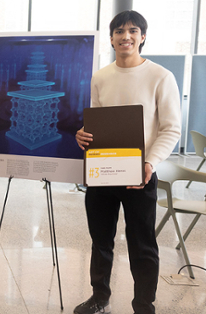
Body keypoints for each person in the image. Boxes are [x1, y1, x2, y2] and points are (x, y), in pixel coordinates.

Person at [74, 10, 181, 314]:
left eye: (133, 31)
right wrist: (83, 135)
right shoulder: (101, 77)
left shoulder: (161, 76)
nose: (126, 37)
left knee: (142, 244)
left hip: (140, 175)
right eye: (119, 32)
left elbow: (171, 128)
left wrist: (151, 163)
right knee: (101, 240)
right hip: (103, 173)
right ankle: (99, 296)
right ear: (111, 39)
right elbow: (96, 122)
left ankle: (144, 305)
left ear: (142, 37)